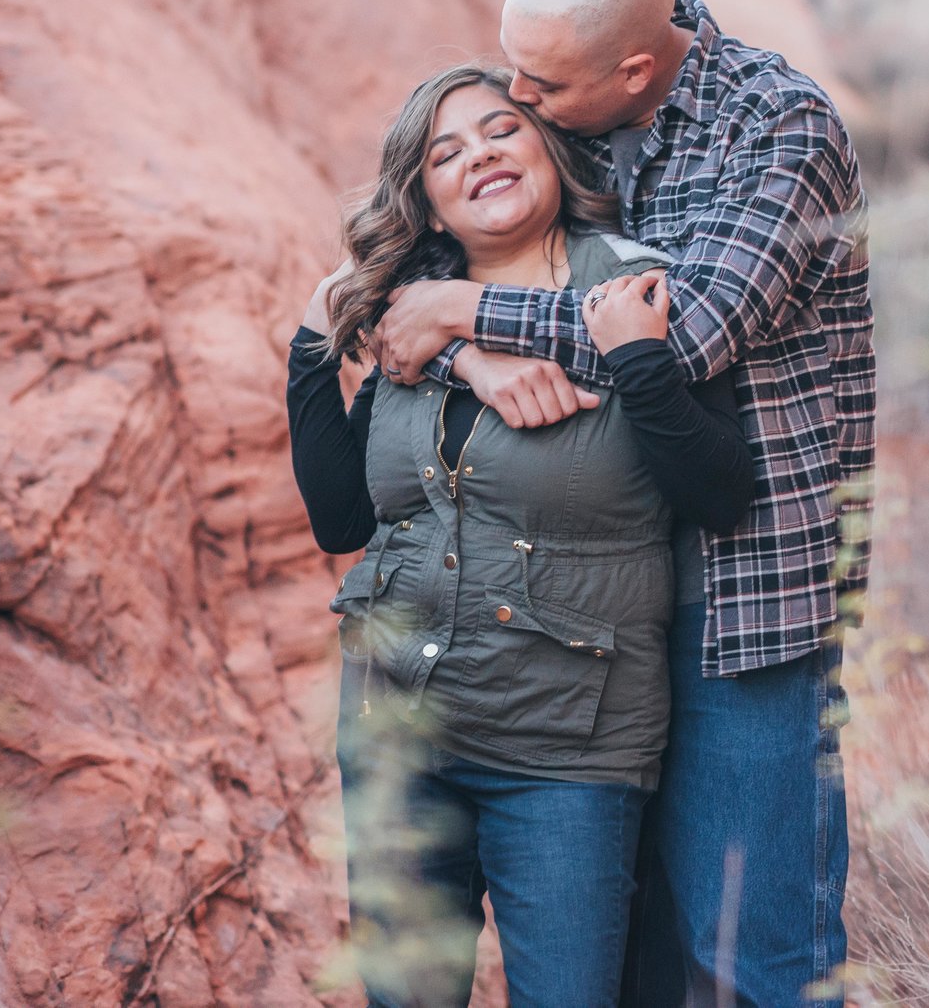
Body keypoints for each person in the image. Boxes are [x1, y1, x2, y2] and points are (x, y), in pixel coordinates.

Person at [372, 0, 874, 1008]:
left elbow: (683, 334)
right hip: (584, 610)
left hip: (741, 592)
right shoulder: (578, 91)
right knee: (627, 947)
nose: (520, 101)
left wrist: (464, 313)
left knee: (749, 948)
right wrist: (463, 347)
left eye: (538, 87)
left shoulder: (780, 130)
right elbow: (400, 276)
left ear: (635, 73)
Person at [287, 63, 759, 1007]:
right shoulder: (414, 315)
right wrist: (319, 338)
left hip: (568, 748)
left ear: (547, 144)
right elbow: (344, 519)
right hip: (398, 725)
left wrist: (638, 364)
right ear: (423, 198)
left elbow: (720, 491)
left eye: (500, 130)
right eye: (444, 153)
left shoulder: (634, 284)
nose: (480, 158)